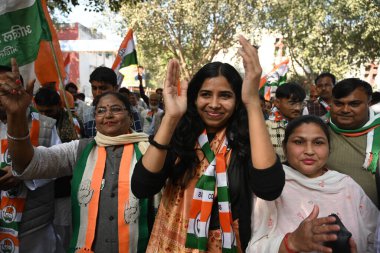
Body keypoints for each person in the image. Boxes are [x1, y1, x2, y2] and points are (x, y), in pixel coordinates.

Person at [132, 35, 285, 252]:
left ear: (237, 99)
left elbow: (270, 188)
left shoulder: (244, 140)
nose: (214, 104)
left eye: (225, 96)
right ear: (194, 98)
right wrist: (171, 118)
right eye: (205, 94)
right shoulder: (179, 135)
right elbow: (141, 187)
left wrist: (252, 101)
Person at [0, 60, 154, 252]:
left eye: (116, 109)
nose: (108, 115)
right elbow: (28, 164)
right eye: (100, 110)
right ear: (94, 119)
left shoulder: (150, 150)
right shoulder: (79, 150)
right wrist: (16, 116)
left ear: (130, 117)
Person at [248, 115, 377, 253]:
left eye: (318, 143)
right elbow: (255, 247)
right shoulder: (273, 187)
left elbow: (375, 238)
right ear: (285, 148)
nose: (309, 151)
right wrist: (291, 242)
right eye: (298, 142)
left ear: (329, 148)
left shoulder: (347, 186)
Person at [0, 64, 63, 253]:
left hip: (33, 229)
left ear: (17, 87)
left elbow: (58, 163)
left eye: (4, 88)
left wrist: (25, 172)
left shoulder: (45, 125)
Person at [327, 78, 380, 208]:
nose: (345, 109)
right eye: (338, 104)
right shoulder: (318, 130)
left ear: (369, 103)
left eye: (354, 104)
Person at [83, 66, 142, 137]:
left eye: (103, 88)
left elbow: (137, 139)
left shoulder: (130, 111)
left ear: (115, 88)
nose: (98, 92)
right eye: (94, 88)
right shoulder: (87, 113)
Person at [267, 83, 306, 162]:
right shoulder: (266, 127)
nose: (298, 108)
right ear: (277, 103)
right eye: (292, 103)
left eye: (301, 103)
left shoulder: (307, 127)